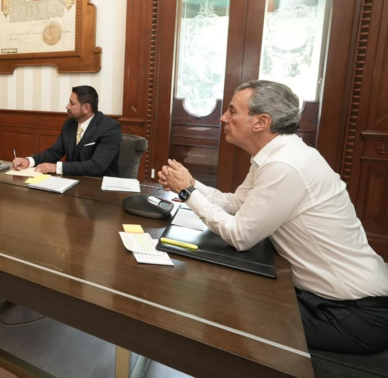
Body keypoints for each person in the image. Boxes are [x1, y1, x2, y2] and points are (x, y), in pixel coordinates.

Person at [157, 80, 388, 354]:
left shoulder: (284, 165)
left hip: (352, 313)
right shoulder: (276, 155)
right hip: (324, 297)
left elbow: (240, 236)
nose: (223, 117)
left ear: (261, 121)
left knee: (224, 318)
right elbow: (237, 203)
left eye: (232, 111)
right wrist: (192, 184)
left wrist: (187, 192)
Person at [12, 85, 122, 177]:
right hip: (71, 182)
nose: (67, 106)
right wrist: (28, 161)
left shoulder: (110, 128)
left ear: (86, 108)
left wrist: (57, 167)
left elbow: (97, 166)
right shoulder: (70, 123)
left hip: (99, 187)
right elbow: (54, 152)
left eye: (72, 103)